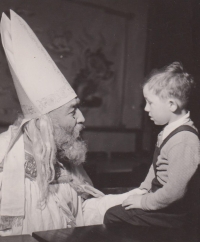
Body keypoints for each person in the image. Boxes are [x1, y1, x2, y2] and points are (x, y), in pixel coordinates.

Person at [0, 10, 134, 236]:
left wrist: (133, 199)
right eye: (73, 110)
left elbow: (81, 213)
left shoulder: (65, 160)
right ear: (45, 122)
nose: (82, 118)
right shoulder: (4, 159)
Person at [104, 62, 200, 228]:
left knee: (113, 216)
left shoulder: (184, 140)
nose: (146, 109)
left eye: (150, 103)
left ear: (171, 105)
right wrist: (144, 189)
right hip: (161, 200)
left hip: (175, 211)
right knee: (117, 205)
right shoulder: (168, 131)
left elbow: (175, 192)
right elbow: (155, 168)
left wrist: (143, 201)